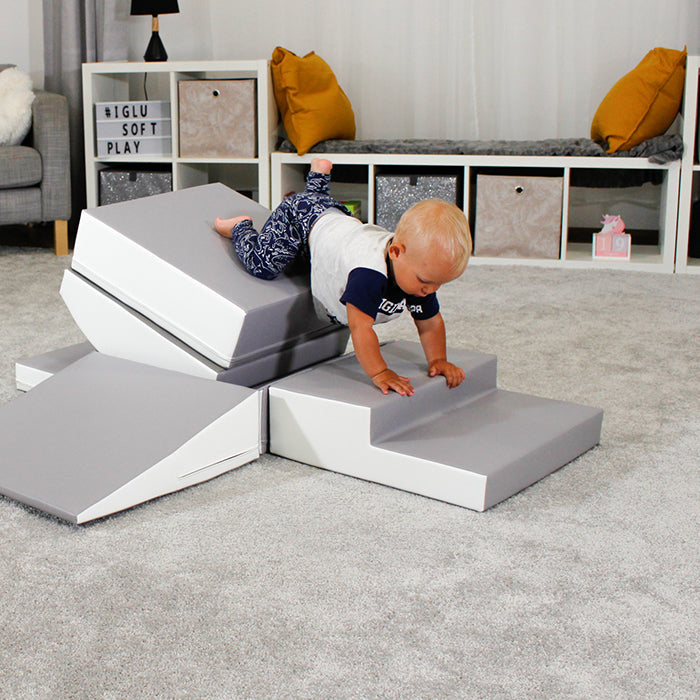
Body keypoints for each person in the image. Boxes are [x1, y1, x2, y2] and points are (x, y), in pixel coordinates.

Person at [214, 159, 472, 396]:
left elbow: (430, 323)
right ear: (395, 252)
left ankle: (318, 177)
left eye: (439, 284)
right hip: (300, 219)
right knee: (264, 265)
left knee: (317, 205)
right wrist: (380, 372)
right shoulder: (368, 275)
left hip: (332, 216)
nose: (430, 290)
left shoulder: (418, 274)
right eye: (426, 282)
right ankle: (240, 227)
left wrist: (438, 359)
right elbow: (361, 328)